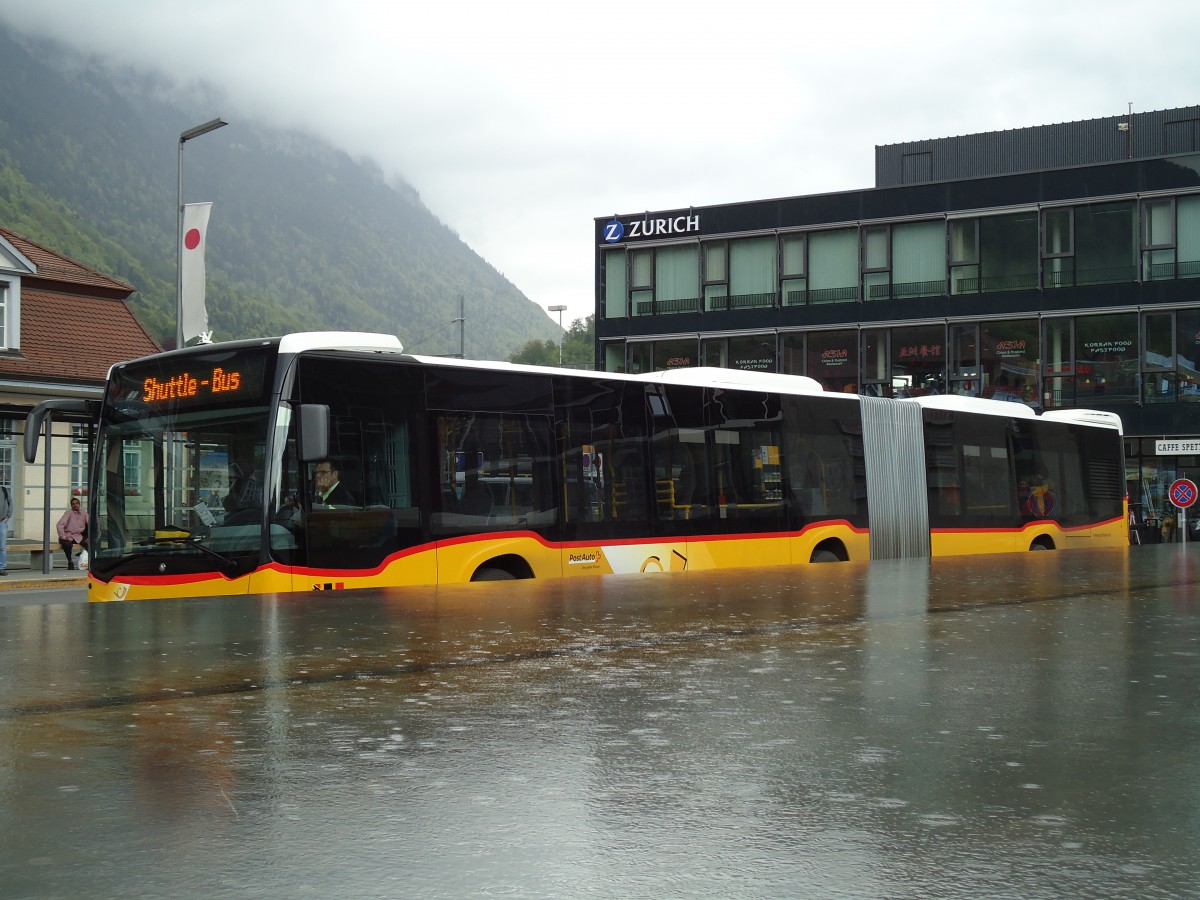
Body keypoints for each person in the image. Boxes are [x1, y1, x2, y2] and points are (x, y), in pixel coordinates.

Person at [57, 496, 89, 570]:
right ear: (71, 505)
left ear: (79, 504)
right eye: (73, 504)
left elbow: (90, 523)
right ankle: (70, 561)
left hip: (78, 536)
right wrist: (63, 536)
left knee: (90, 544)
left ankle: (84, 558)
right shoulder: (68, 513)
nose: (75, 505)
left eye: (77, 503)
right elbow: (60, 525)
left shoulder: (83, 513)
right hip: (68, 535)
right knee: (67, 545)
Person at [0, 481, 11, 576]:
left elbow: (10, 504)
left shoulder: (4, 490)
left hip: (1, 522)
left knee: (2, 547)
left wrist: (7, 517)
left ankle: (2, 567)